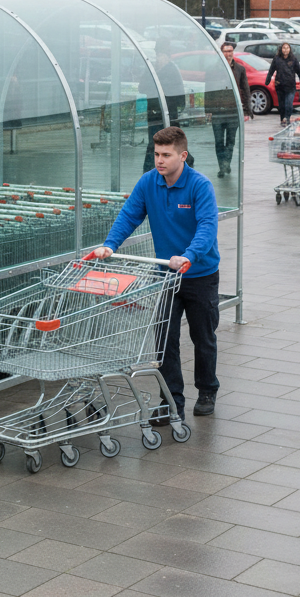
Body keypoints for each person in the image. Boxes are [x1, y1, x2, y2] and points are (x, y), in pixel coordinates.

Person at [92, 126, 220, 422]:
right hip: (166, 276)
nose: (159, 160)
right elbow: (129, 215)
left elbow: (206, 228)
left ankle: (207, 390)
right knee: (165, 340)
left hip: (200, 274)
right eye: (156, 154)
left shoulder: (200, 186)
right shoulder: (149, 183)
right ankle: (171, 400)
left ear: (182, 156)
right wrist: (110, 245)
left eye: (166, 155)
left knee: (203, 337)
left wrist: (188, 256)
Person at [140, 41, 189, 173]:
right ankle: (147, 172)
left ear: (167, 56)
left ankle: (185, 165)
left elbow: (178, 92)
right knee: (153, 143)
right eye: (157, 54)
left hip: (169, 113)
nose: (159, 58)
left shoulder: (172, 70)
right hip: (154, 113)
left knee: (170, 143)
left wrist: (179, 108)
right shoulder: (151, 70)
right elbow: (141, 87)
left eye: (161, 55)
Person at [209, 42, 251, 178]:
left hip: (234, 111)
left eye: (230, 51)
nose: (228, 54)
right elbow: (208, 91)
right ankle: (222, 166)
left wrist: (247, 110)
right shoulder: (213, 70)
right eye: (226, 51)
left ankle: (226, 163)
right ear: (221, 53)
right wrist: (208, 110)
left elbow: (245, 90)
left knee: (231, 141)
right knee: (219, 141)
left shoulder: (240, 69)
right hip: (218, 112)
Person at [265, 42, 300, 125]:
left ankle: (288, 118)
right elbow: (271, 70)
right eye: (284, 48)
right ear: (281, 49)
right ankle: (282, 119)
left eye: (287, 48)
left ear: (290, 49)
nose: (285, 50)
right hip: (280, 85)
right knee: (282, 105)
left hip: (290, 86)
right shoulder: (277, 59)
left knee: (289, 104)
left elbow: (299, 71)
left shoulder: (293, 59)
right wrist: (267, 81)